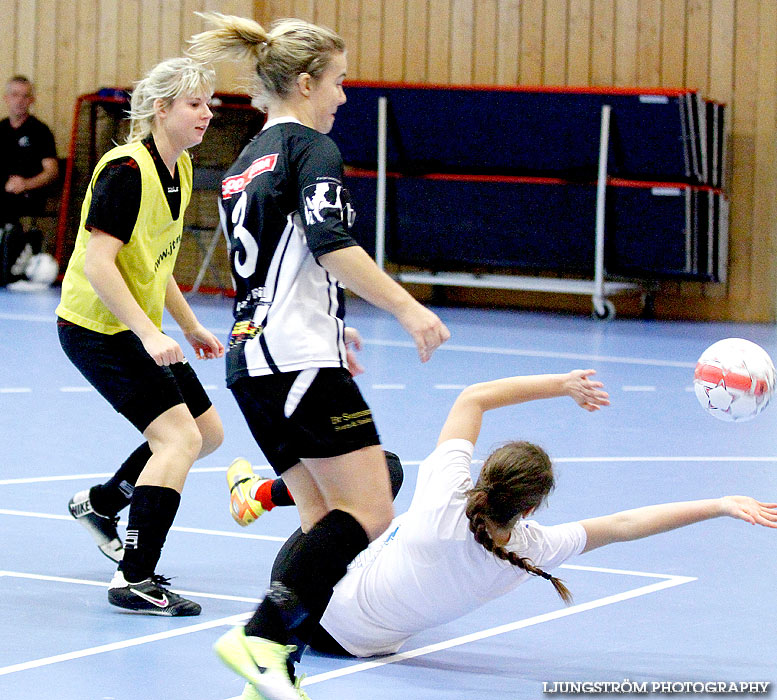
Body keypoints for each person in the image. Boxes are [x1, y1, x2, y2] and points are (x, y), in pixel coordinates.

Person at [186, 12, 450, 700]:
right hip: (296, 360)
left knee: (318, 518)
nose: (342, 96)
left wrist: (334, 326)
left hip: (255, 360)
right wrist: (406, 307)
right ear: (304, 83)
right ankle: (262, 639)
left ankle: (271, 667)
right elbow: (328, 243)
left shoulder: (247, 161)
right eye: (338, 81)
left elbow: (274, 267)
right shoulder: (312, 149)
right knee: (369, 508)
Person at [230, 369, 777, 664]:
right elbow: (628, 524)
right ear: (532, 507)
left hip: (311, 605)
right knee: (372, 492)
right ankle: (262, 496)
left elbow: (474, 398)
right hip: (362, 643)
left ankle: (260, 494)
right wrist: (720, 504)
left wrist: (561, 385)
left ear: (484, 474)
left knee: (381, 472)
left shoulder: (446, 494)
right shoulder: (531, 551)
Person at [56, 57, 224, 617]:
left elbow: (152, 262)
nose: (207, 113)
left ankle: (103, 503)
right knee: (179, 441)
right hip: (97, 328)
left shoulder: (180, 169)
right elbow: (100, 265)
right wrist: (150, 332)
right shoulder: (126, 170)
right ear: (162, 108)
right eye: (195, 103)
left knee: (207, 431)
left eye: (208, 103)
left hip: (137, 328)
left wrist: (189, 324)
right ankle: (134, 578)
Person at [1, 76, 59, 226]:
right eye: (15, 95)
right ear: (6, 98)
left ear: (31, 100)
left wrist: (26, 184)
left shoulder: (40, 131)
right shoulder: (1, 129)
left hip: (27, 195)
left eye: (25, 96)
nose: (19, 101)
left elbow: (52, 172)